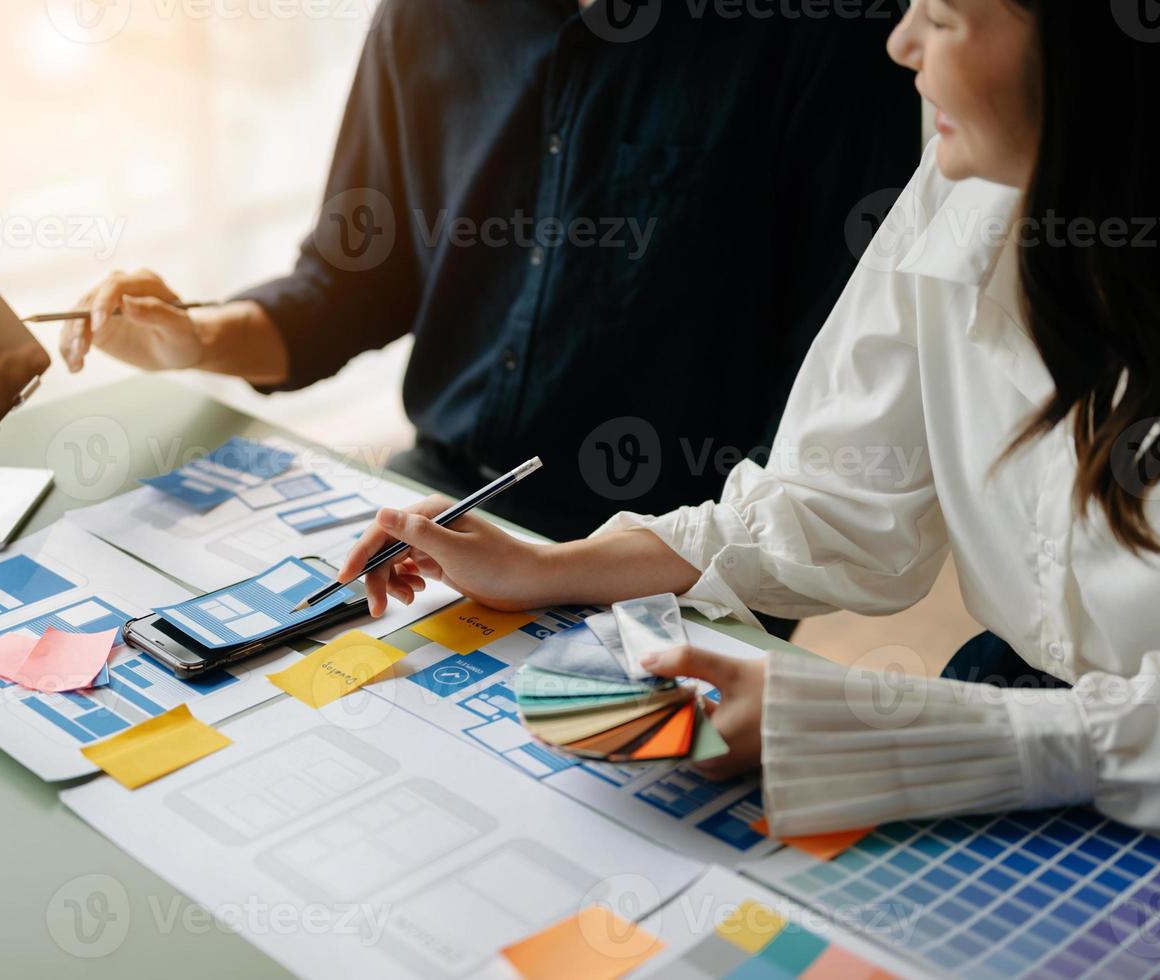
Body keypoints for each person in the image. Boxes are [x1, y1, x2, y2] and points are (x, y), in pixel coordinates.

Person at [336, 0, 1160, 835]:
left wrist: (869, 733)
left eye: (942, 18)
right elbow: (831, 504)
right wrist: (547, 566)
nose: (901, 42)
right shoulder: (960, 182)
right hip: (1015, 696)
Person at [59, 0, 919, 555]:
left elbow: (830, 391)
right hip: (438, 503)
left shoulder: (836, 34)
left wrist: (602, 574)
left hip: (684, 555)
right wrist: (198, 338)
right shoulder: (427, 18)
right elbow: (351, 284)